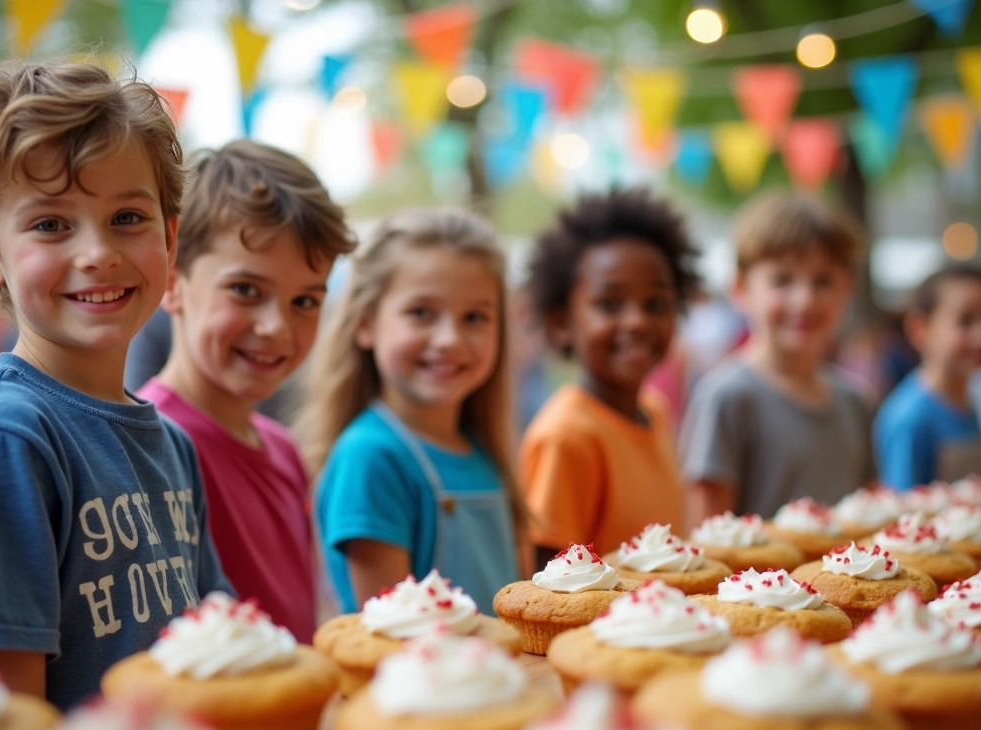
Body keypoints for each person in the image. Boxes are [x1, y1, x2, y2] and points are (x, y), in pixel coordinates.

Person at [0, 61, 231, 710]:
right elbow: (6, 716)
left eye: (128, 218)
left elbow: (216, 643)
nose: (97, 253)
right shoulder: (2, 441)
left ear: (169, 238)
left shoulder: (171, 443)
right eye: (52, 224)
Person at [137, 140, 356, 642]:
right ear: (172, 281)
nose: (276, 327)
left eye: (304, 300)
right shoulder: (149, 449)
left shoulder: (284, 450)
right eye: (246, 291)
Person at [298, 208, 525, 614]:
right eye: (421, 312)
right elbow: (393, 636)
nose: (449, 339)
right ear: (365, 323)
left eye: (474, 317)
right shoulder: (370, 457)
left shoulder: (482, 448)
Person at [520, 188, 700, 568]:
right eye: (609, 304)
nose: (636, 322)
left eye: (655, 304)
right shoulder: (566, 436)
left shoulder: (656, 409)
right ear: (561, 322)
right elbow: (550, 592)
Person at [681, 190, 872, 523]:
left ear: (848, 289)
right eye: (782, 280)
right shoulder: (727, 398)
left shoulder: (855, 401)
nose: (805, 300)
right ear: (741, 289)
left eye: (823, 281)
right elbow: (707, 538)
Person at [874, 264, 981, 489]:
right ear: (920, 329)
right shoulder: (911, 418)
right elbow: (904, 508)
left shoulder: (973, 400)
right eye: (966, 321)